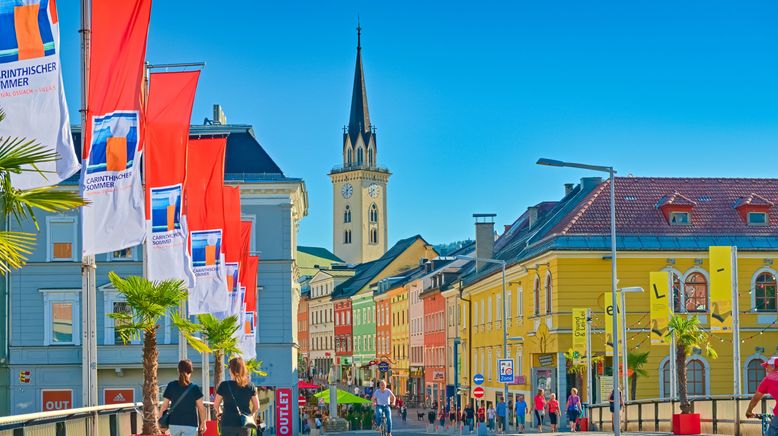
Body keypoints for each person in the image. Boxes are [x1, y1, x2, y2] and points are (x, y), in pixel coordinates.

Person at [214, 357, 260, 436]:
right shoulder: (250, 386)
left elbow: (216, 404)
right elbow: (256, 406)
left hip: (227, 423)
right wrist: (250, 416)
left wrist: (219, 412)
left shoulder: (224, 385)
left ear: (232, 369)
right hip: (245, 424)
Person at [159, 359, 207, 436]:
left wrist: (160, 423)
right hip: (190, 424)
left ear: (178, 370)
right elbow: (201, 408)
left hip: (174, 423)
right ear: (191, 371)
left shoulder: (171, 385)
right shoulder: (194, 388)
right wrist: (203, 423)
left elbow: (164, 406)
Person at [747, 356, 778, 435]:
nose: (766, 370)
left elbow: (756, 398)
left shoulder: (769, 379)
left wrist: (749, 411)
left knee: (772, 433)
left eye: (767, 367)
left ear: (773, 366)